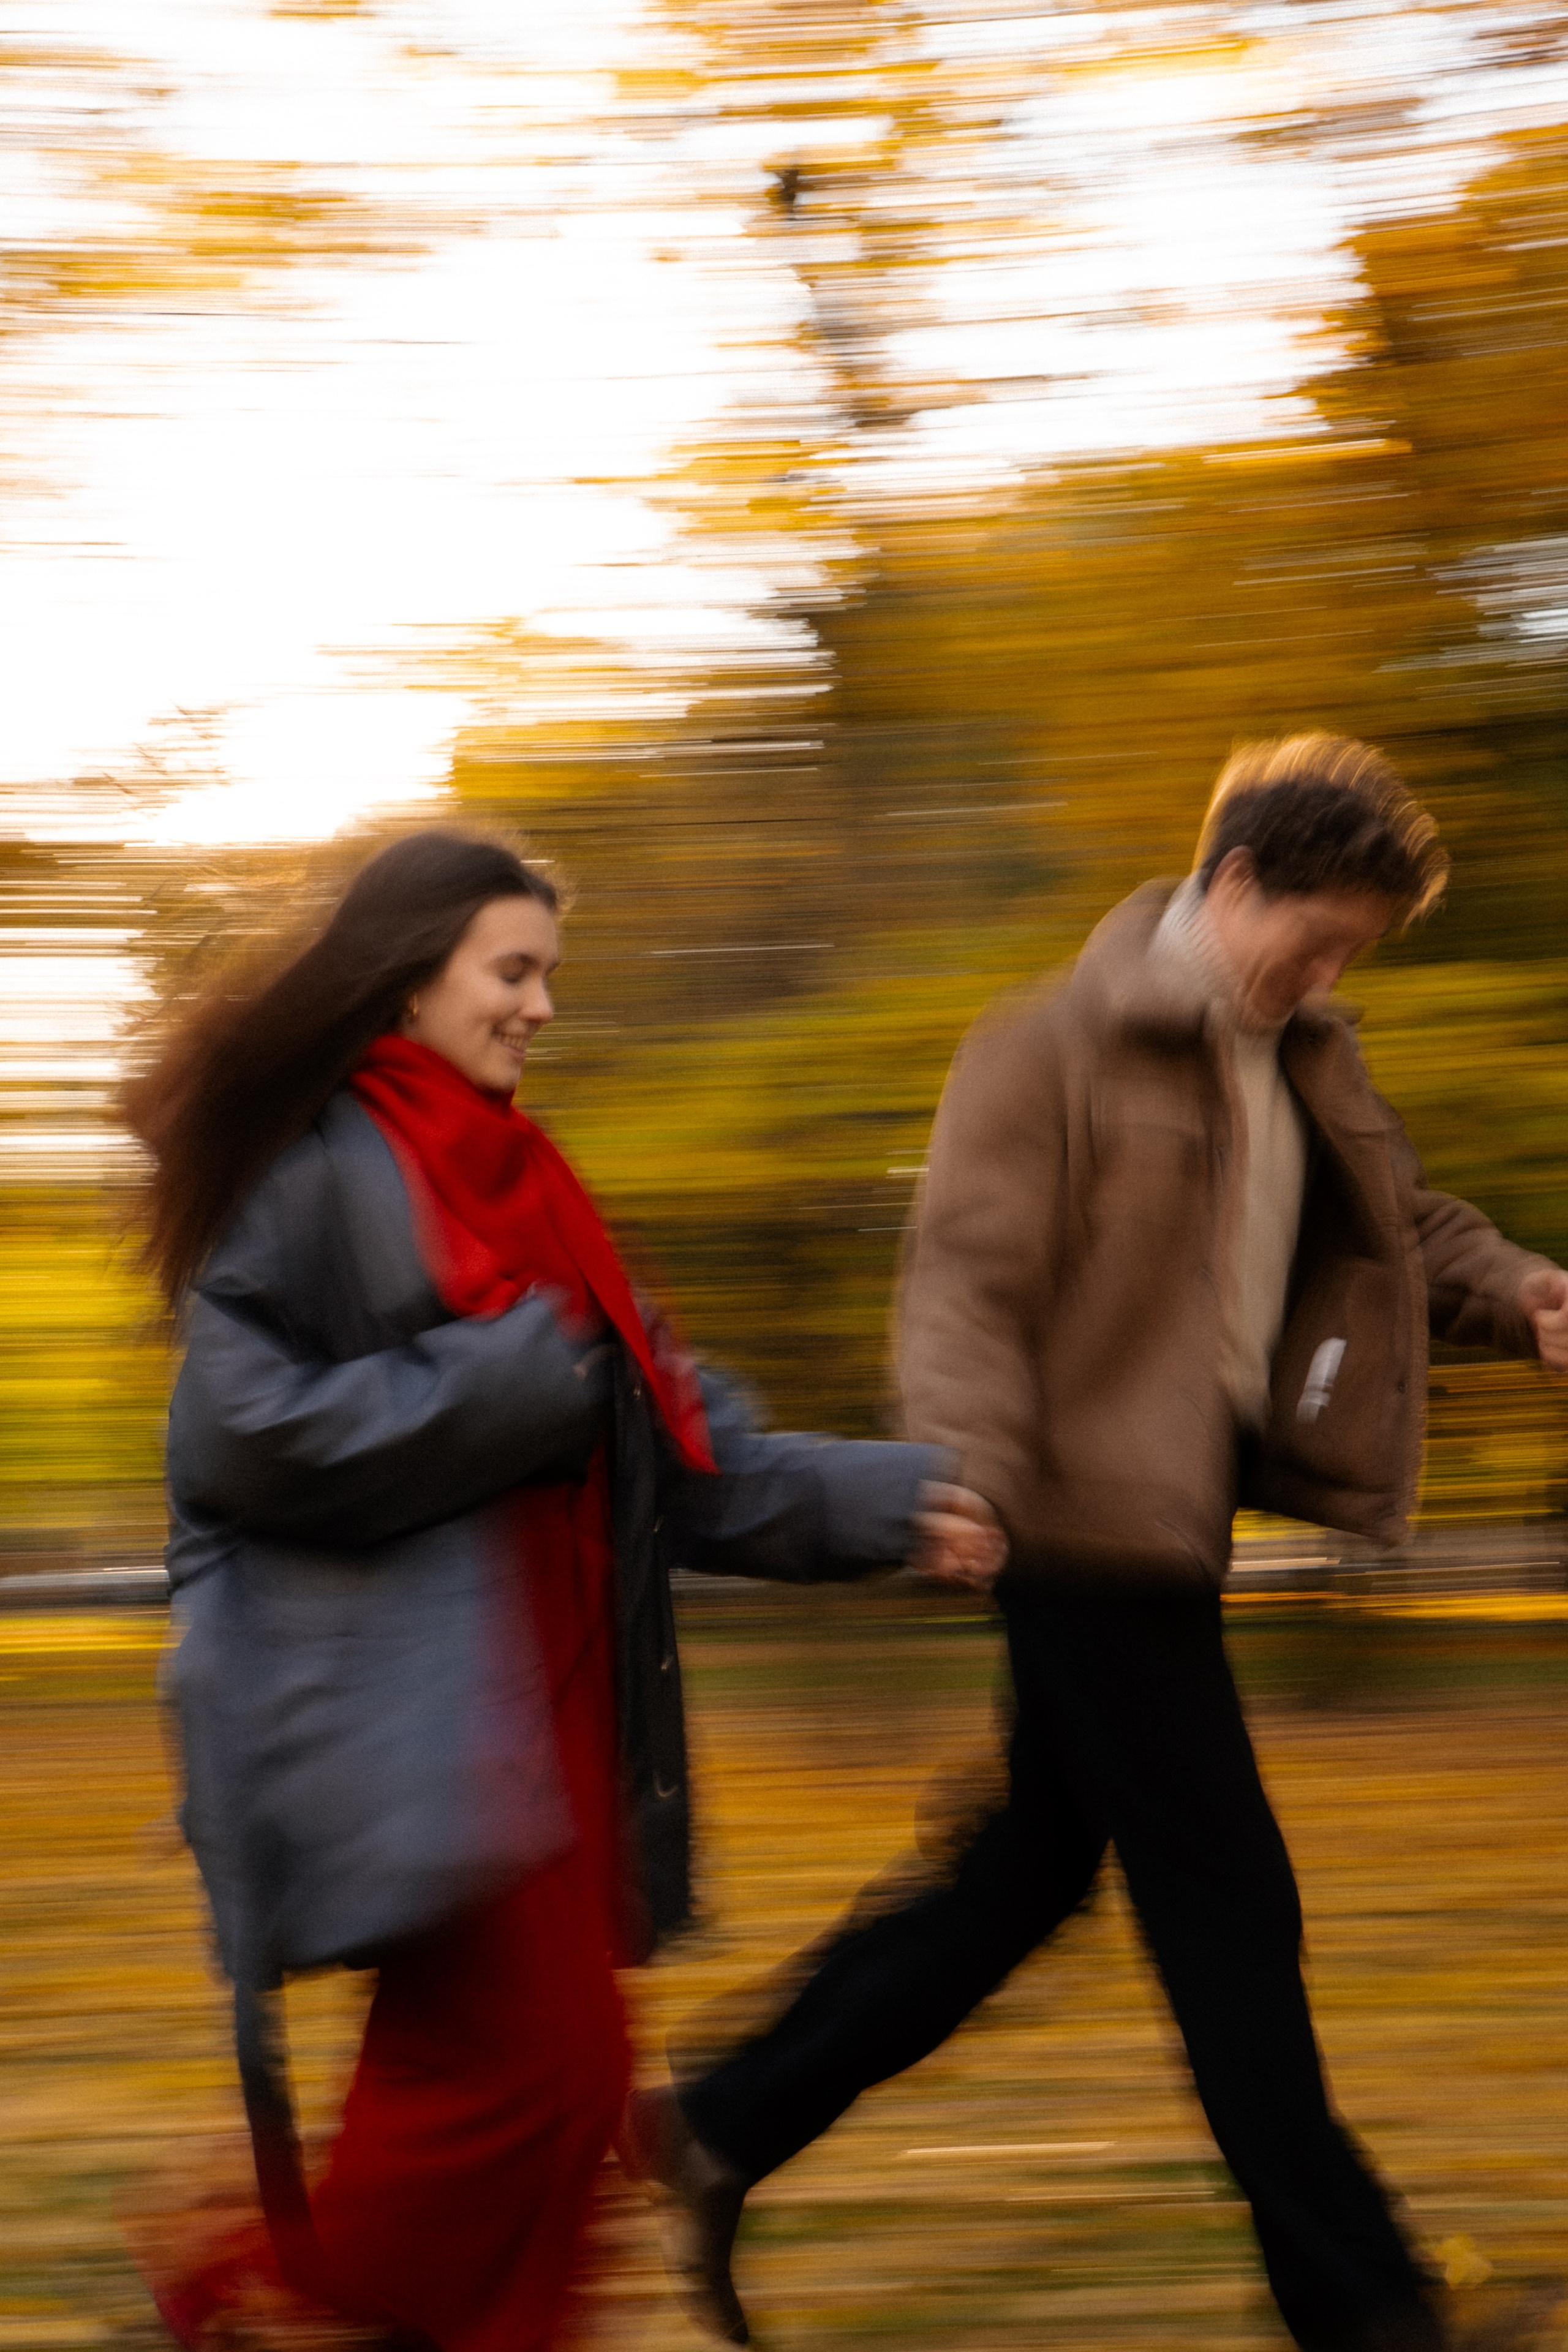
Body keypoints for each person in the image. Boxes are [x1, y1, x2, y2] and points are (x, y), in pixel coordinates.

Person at [628, 736, 1568, 2352]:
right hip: (1069, 1528)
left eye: (1355, 952)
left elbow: (1402, 1229)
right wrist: (965, 1479)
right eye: (1319, 934)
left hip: (1174, 1526)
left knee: (1019, 1876)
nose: (1330, 971)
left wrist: (1535, 1296)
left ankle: (716, 2122)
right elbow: (966, 1283)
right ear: (1236, 880)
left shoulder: (1306, 1054)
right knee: (1231, 1911)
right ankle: (1375, 2307)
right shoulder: (1049, 1047)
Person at [124, 827, 1003, 2352]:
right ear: (406, 981)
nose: (539, 1007)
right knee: (525, 2081)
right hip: (415, 1722)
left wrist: (897, 1502)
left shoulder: (536, 1185)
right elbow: (235, 1436)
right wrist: (504, 1379)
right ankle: (243, 2291)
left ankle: (305, 2297)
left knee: (556, 2087)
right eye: (511, 971)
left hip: (563, 1711)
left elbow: (682, 1441)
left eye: (547, 977)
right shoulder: (324, 1169)